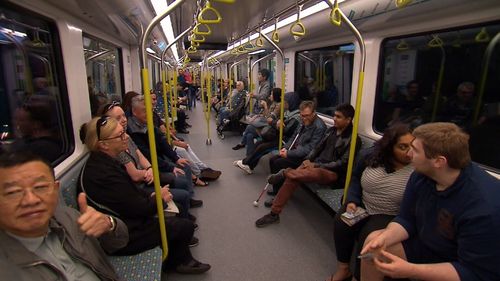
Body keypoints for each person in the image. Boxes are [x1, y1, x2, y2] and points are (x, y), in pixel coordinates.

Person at [360, 122, 500, 281]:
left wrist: (411, 270)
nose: (409, 154)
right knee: (373, 247)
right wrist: (386, 237)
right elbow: (406, 219)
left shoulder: (485, 207)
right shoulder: (421, 176)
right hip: (428, 244)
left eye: (415, 150)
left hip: (458, 262)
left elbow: (474, 273)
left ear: (439, 162)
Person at [79, 117, 211, 274]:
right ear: (103, 144)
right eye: (120, 135)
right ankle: (179, 262)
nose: (126, 137)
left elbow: (130, 195)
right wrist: (159, 199)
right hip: (123, 235)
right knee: (184, 226)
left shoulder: (107, 163)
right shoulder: (104, 174)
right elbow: (138, 208)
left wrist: (154, 195)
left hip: (126, 219)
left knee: (180, 210)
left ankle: (178, 254)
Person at [0, 151, 129, 280]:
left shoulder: (68, 216)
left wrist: (109, 224)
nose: (31, 200)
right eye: (13, 192)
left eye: (40, 187)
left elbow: (119, 243)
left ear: (56, 190)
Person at [329, 123, 414, 281]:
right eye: (403, 147)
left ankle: (359, 276)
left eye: (412, 146)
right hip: (363, 205)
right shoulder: (370, 156)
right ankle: (343, 268)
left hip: (389, 213)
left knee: (369, 237)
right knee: (342, 222)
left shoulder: (417, 169)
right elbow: (355, 178)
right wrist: (352, 200)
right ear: (389, 147)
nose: (409, 153)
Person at [255, 104, 360, 227]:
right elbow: (317, 148)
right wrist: (308, 160)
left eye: (338, 117)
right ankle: (274, 214)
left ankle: (285, 172)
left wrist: (316, 165)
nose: (334, 119)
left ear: (348, 120)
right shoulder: (331, 131)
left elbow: (342, 163)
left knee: (303, 173)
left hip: (331, 172)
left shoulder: (353, 139)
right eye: (334, 116)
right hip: (315, 164)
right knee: (293, 178)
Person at [127, 96, 202, 208]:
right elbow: (148, 155)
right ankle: (187, 197)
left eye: (149, 110)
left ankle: (189, 197)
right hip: (152, 163)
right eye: (144, 111)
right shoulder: (133, 131)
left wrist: (176, 158)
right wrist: (170, 167)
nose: (148, 113)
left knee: (184, 164)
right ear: (134, 112)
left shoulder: (146, 122)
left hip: (159, 157)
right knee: (181, 173)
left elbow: (162, 141)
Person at [262, 101, 326, 205]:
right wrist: (285, 148)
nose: (304, 118)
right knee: (273, 159)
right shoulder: (303, 121)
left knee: (279, 163)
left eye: (307, 116)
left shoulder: (319, 127)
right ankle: (277, 189)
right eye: (302, 115)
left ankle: (279, 196)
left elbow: (310, 149)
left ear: (314, 113)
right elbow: (294, 137)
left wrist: (289, 154)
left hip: (306, 158)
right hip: (294, 151)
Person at [232, 88, 285, 155]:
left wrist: (265, 107)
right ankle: (249, 156)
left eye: (272, 94)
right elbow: (266, 115)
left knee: (249, 127)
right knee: (249, 135)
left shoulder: (279, 106)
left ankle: (242, 144)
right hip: (265, 125)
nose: (270, 96)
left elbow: (269, 118)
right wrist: (258, 115)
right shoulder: (273, 103)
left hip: (270, 129)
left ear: (276, 95)